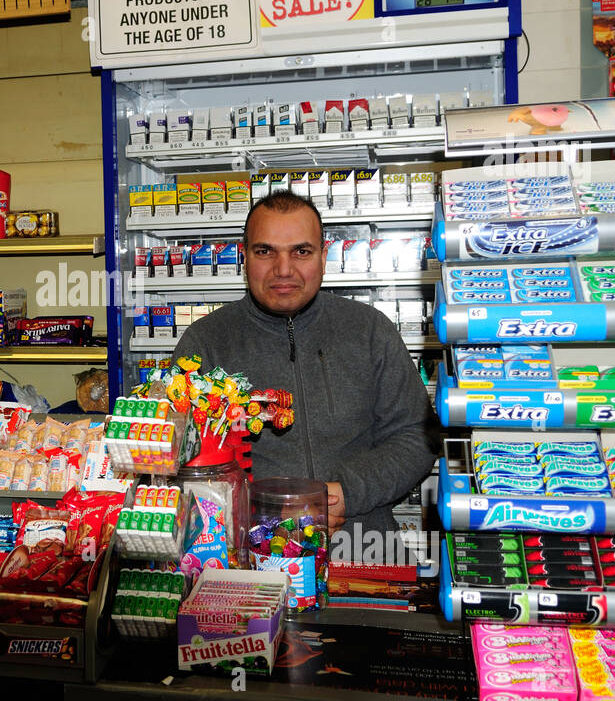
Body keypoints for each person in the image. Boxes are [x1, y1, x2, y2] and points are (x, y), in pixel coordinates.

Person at [172, 190, 438, 534]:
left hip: (360, 547)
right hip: (244, 557)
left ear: (323, 257)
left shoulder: (369, 330)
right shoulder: (204, 343)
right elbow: (178, 460)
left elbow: (417, 435)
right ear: (244, 257)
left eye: (301, 251)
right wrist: (265, 513)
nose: (284, 270)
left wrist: (344, 494)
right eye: (265, 251)